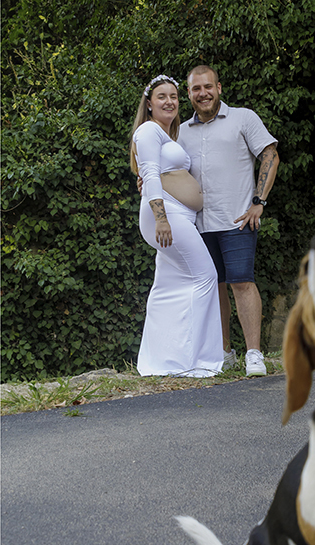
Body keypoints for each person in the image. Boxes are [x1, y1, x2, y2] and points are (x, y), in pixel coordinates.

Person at [181, 65, 279, 377]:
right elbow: (168, 170)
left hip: (237, 220)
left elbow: (270, 155)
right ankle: (225, 352)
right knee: (214, 288)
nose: (203, 93)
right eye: (196, 89)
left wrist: (259, 202)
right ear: (189, 94)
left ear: (219, 88)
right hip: (198, 224)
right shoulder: (181, 131)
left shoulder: (243, 118)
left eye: (208, 87)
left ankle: (254, 354)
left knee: (241, 282)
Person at [129, 75, 224, 377]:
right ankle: (195, 361)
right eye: (162, 96)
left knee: (169, 286)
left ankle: (161, 362)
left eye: (173, 96)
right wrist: (161, 219)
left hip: (177, 216)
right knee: (205, 275)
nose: (169, 101)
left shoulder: (168, 136)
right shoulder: (148, 130)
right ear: (149, 103)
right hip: (165, 216)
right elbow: (151, 173)